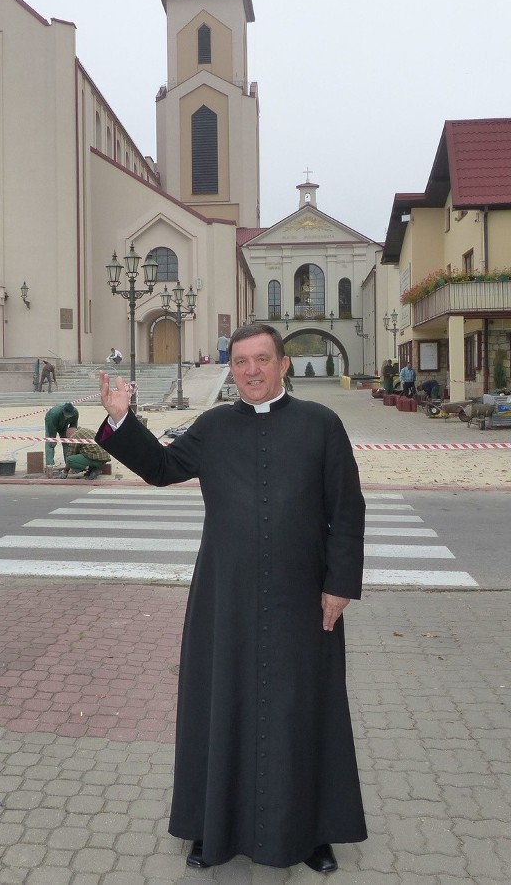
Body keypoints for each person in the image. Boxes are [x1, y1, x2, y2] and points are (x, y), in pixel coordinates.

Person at [96, 322, 366, 872]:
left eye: (261, 360)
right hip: (226, 597)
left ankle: (313, 832)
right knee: (219, 706)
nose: (250, 371)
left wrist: (339, 585)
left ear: (283, 364)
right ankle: (206, 827)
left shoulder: (322, 424)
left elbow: (347, 509)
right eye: (240, 362)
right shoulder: (215, 425)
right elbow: (163, 468)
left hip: (303, 596)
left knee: (304, 709)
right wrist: (122, 420)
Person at [44, 402, 79, 467]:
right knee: (50, 443)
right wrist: (52, 438)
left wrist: (71, 437)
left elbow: (73, 426)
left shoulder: (75, 413)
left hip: (64, 425)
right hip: (51, 423)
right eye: (65, 415)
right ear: (63, 410)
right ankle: (49, 464)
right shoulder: (54, 413)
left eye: (68, 415)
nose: (66, 417)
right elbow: (51, 427)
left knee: (67, 443)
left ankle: (68, 463)